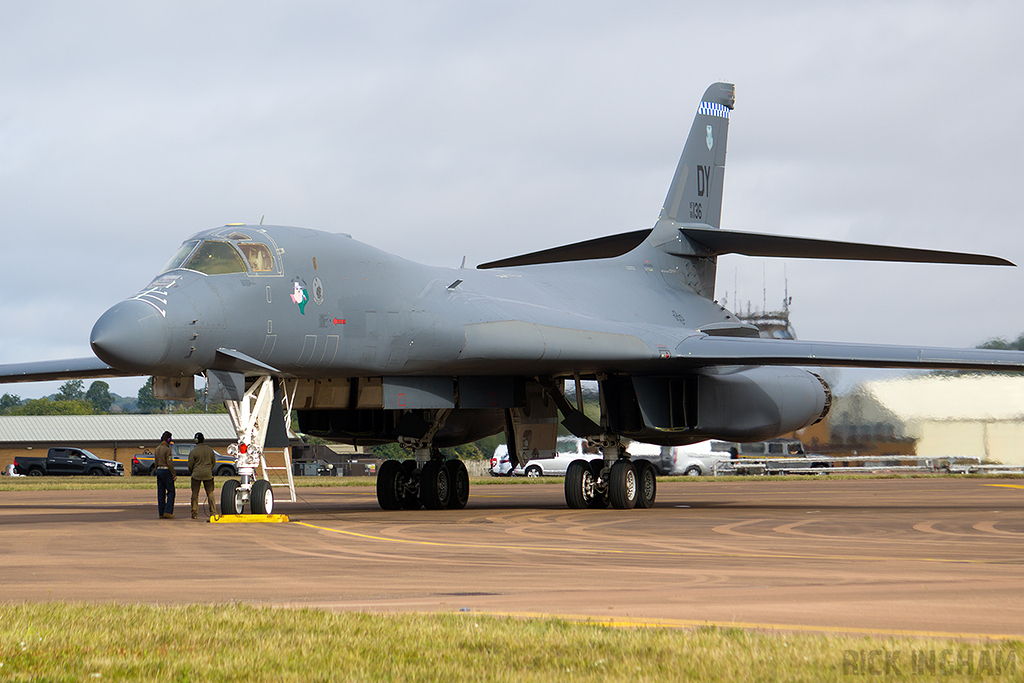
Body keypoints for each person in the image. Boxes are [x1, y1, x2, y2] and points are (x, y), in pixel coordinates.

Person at [188, 432, 218, 519]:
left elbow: (190, 465)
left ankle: (194, 513)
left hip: (196, 474)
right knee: (210, 493)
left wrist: (193, 471)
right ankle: (213, 512)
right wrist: (209, 470)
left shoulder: (194, 451)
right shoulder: (210, 450)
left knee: (195, 493)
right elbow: (213, 462)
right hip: (208, 474)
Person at [155, 431, 176, 519]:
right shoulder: (167, 450)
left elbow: (155, 462)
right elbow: (169, 462)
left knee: (161, 493)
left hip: (159, 470)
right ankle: (168, 511)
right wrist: (173, 474)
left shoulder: (157, 449)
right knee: (171, 491)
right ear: (168, 439)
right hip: (166, 471)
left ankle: (161, 512)